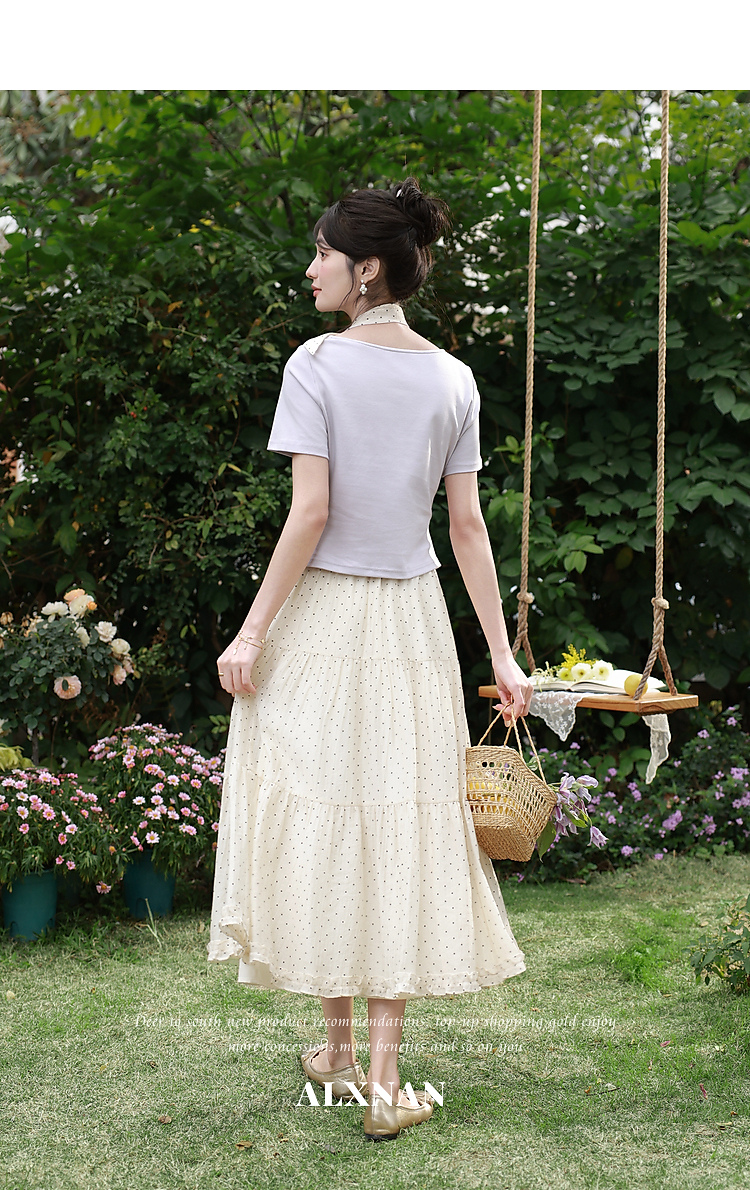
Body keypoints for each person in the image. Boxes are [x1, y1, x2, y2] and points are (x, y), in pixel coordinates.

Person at [207, 177, 533, 1142]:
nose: (310, 267)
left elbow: (309, 514)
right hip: (410, 625)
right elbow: (467, 528)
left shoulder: (315, 364)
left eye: (322, 253)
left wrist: (251, 631)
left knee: (326, 810)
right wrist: (503, 655)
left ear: (367, 271)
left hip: (323, 619)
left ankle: (345, 1054)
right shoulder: (455, 378)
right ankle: (372, 1077)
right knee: (395, 822)